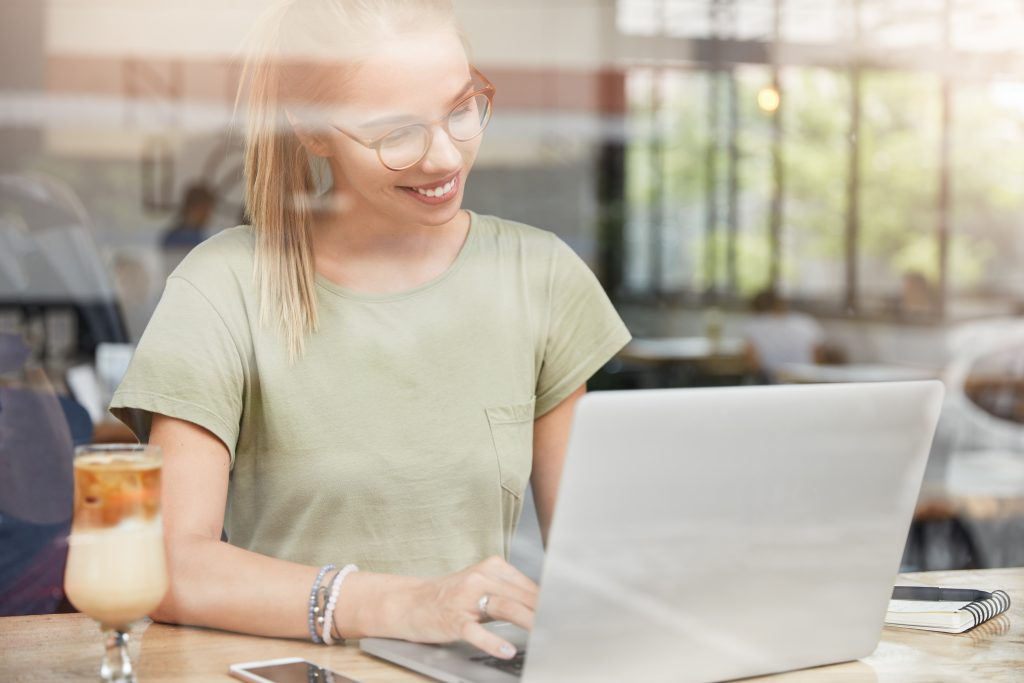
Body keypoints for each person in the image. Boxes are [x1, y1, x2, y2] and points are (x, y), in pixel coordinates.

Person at [109, 0, 630, 662]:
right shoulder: (223, 286)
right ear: (313, 130)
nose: (444, 156)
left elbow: (592, 564)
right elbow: (171, 567)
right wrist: (399, 604)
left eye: (461, 108)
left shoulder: (540, 275)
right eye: (395, 131)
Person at [739, 288, 829, 381]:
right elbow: (819, 356)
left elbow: (753, 364)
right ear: (781, 304)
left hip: (772, 380)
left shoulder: (753, 327)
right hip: (807, 379)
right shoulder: (806, 322)